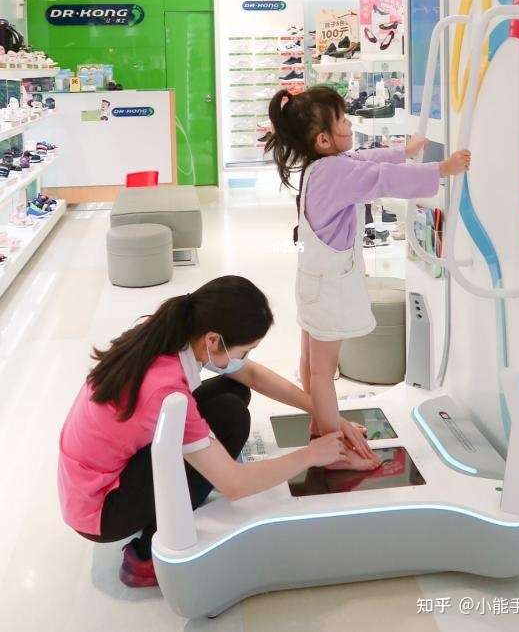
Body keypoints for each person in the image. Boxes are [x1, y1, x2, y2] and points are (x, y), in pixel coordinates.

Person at [58, 275, 368, 588]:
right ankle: (149, 552)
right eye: (245, 350)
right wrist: (311, 455)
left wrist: (324, 412)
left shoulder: (171, 331)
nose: (244, 358)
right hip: (102, 509)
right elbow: (234, 484)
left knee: (234, 392)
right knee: (232, 418)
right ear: (213, 340)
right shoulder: (166, 391)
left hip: (90, 482)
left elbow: (252, 376)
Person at [265, 86, 471, 471]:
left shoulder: (320, 167)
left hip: (312, 283)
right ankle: (332, 450)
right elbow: (379, 177)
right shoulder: (335, 171)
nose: (350, 125)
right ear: (323, 139)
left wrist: (404, 151)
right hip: (330, 288)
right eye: (343, 121)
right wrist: (441, 170)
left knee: (311, 363)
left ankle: (320, 426)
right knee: (323, 372)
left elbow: (364, 159)